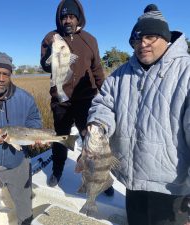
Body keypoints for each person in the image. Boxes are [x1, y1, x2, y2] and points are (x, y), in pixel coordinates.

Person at [86, 4, 190, 225]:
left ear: (166, 37)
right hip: (131, 180)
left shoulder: (186, 71)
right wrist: (98, 123)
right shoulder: (119, 74)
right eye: (137, 40)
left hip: (173, 188)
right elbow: (103, 104)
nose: (142, 44)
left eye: (150, 37)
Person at [40, 0, 114, 195]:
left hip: (85, 99)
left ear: (78, 18)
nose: (67, 20)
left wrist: (104, 93)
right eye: (64, 17)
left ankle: (101, 178)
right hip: (60, 101)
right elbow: (45, 66)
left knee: (91, 139)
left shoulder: (90, 40)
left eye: (71, 16)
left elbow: (97, 69)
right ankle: (57, 171)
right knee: (61, 138)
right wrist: (51, 51)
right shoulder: (51, 37)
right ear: (59, 19)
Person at [0, 51, 42, 225]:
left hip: (17, 162)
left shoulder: (25, 98)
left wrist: (35, 135)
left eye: (6, 74)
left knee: (24, 206)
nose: (1, 78)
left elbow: (34, 120)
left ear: (10, 75)